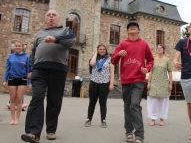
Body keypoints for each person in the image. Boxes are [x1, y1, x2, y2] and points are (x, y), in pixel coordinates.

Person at [21, 10, 75, 143]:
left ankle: (51, 129)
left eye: (54, 15)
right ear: (46, 19)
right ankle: (33, 132)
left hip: (58, 70)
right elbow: (33, 53)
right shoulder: (40, 33)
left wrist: (56, 39)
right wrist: (32, 69)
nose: (51, 17)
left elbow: (71, 41)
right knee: (37, 97)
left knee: (54, 101)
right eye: (48, 15)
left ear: (58, 18)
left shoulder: (64, 30)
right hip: (40, 70)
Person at [111, 21, 154, 143]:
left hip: (138, 79)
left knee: (135, 105)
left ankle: (139, 135)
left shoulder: (144, 44)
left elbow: (151, 59)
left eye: (135, 27)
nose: (132, 28)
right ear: (127, 31)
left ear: (138, 30)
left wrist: (148, 68)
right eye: (130, 27)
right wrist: (119, 54)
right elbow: (113, 61)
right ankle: (129, 132)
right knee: (127, 107)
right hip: (125, 80)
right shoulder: (122, 44)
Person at [84, 44, 115, 128]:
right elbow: (92, 64)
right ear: (97, 50)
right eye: (100, 49)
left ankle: (103, 120)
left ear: (106, 51)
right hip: (94, 82)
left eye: (103, 49)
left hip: (105, 83)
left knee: (103, 103)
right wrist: (95, 53)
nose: (102, 51)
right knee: (92, 102)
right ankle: (89, 119)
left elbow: (112, 72)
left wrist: (111, 84)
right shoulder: (93, 58)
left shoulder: (109, 60)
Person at [2, 41, 32, 125]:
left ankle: (17, 118)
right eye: (16, 46)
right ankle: (12, 118)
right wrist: (4, 80)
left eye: (19, 46)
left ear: (22, 47)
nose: (17, 47)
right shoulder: (10, 57)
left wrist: (29, 82)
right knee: (12, 98)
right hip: (12, 78)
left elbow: (28, 70)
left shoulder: (26, 57)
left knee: (19, 99)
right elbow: (7, 69)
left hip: (22, 79)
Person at [147, 44, 173, 126]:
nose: (159, 49)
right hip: (154, 83)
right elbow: (150, 71)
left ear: (163, 50)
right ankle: (153, 119)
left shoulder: (167, 60)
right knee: (153, 102)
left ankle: (162, 119)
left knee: (163, 102)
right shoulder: (153, 59)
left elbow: (170, 72)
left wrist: (170, 83)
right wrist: (149, 82)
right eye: (157, 48)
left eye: (160, 48)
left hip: (163, 83)